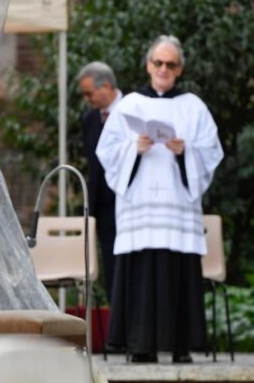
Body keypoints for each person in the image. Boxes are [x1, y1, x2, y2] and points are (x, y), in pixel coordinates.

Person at [96, 35, 223, 364]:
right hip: (140, 208)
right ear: (148, 65)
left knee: (178, 275)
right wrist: (132, 150)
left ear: (179, 69)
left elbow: (212, 151)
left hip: (178, 208)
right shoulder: (130, 105)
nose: (164, 69)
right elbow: (106, 151)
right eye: (158, 63)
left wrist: (186, 153)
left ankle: (180, 346)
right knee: (141, 276)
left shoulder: (193, 106)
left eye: (171, 64)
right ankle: (140, 345)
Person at [77, 61, 122, 306]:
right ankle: (119, 333)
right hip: (104, 207)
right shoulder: (90, 119)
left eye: (89, 93)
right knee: (111, 267)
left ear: (106, 86)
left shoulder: (132, 111)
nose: (87, 99)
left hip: (130, 203)